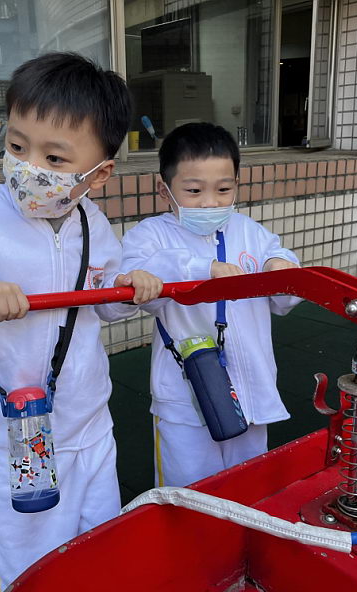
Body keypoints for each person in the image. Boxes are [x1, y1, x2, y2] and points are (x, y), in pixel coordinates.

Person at [0, 52, 162, 592]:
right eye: (18, 147)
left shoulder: (93, 223)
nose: (29, 167)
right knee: (27, 554)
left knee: (97, 535)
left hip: (88, 422)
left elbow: (102, 302)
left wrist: (128, 290)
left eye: (54, 157)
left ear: (99, 174)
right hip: (10, 431)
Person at [120, 122, 301, 489]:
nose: (210, 202)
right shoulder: (150, 235)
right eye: (193, 190)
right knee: (188, 490)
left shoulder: (249, 231)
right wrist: (203, 269)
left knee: (249, 485)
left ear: (237, 184)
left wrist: (280, 266)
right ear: (164, 189)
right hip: (186, 397)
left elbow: (285, 292)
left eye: (223, 189)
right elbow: (134, 273)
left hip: (251, 391)